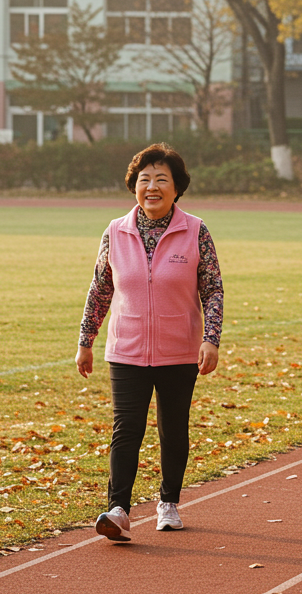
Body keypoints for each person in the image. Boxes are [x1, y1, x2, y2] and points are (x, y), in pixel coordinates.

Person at [76, 143, 223, 541]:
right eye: (144, 180)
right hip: (126, 349)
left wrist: (211, 339)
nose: (152, 187)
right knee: (127, 429)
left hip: (180, 350)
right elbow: (100, 289)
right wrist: (85, 339)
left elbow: (212, 290)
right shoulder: (115, 231)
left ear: (177, 188)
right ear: (134, 187)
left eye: (162, 179)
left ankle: (168, 502)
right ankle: (118, 508)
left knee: (173, 429)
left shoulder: (195, 231)